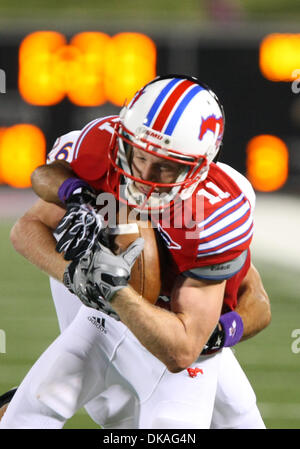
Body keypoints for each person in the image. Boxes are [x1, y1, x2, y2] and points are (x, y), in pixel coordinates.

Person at [0, 74, 270, 429]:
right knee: (41, 412)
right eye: (139, 155)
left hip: (173, 328)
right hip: (101, 312)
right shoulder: (105, 150)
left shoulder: (216, 212)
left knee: (234, 418)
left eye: (165, 166)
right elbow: (28, 225)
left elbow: (224, 323)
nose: (143, 174)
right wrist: (77, 270)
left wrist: (219, 333)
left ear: (199, 167)